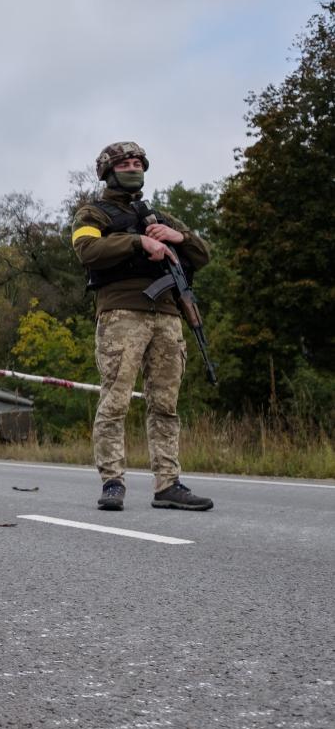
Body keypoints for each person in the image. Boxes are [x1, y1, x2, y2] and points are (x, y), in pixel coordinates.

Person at [72, 141, 213, 512]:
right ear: (108, 171)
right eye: (126, 163)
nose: (134, 168)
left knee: (166, 405)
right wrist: (138, 242)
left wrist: (178, 237)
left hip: (167, 316)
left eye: (138, 163)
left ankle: (168, 484)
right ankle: (112, 482)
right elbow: (88, 251)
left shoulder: (159, 216)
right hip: (121, 313)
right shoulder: (93, 213)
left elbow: (204, 254)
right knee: (115, 401)